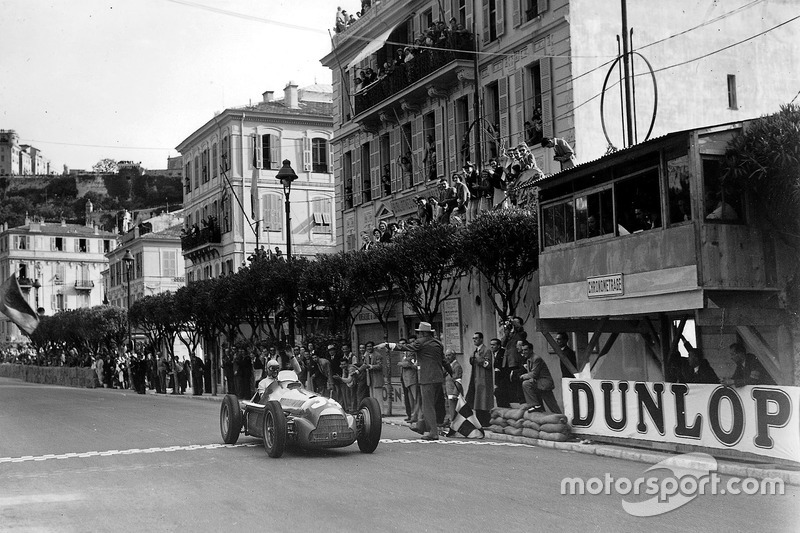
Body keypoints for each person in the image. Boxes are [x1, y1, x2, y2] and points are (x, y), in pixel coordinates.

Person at [379, 322, 445, 441]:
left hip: (427, 378)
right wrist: (452, 373)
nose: (419, 335)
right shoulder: (438, 343)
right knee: (430, 404)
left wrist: (388, 345)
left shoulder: (421, 342)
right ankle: (422, 425)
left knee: (427, 406)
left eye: (419, 332)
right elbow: (443, 360)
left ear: (423, 333)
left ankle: (433, 432)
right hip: (438, 378)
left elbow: (405, 347)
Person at [519, 342, 560, 413]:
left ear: (531, 350)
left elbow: (534, 374)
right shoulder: (529, 359)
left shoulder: (536, 359)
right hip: (538, 383)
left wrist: (523, 376)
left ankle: (535, 405)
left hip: (544, 384)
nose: (523, 352)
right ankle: (536, 406)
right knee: (527, 384)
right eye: (522, 350)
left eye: (526, 350)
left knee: (553, 407)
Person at [465, 332, 493, 427]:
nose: (474, 340)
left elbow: (488, 364)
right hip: (475, 379)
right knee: (476, 401)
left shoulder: (486, 350)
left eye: (476, 338)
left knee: (483, 401)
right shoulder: (475, 350)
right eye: (473, 338)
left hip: (483, 379)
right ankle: (478, 421)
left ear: (481, 339)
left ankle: (485, 422)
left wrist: (479, 359)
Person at [497, 317, 525, 406]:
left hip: (515, 361)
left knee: (515, 385)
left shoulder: (521, 333)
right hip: (507, 362)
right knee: (506, 385)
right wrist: (506, 332)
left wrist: (512, 321)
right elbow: (502, 343)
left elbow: (520, 329)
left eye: (516, 323)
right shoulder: (510, 334)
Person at [398, 342, 419, 423]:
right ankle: (413, 415)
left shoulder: (412, 353)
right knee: (410, 399)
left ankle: (417, 415)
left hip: (412, 379)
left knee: (415, 398)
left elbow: (413, 364)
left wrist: (403, 364)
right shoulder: (404, 354)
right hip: (406, 379)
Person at [443, 349, 463, 427]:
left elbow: (458, 380)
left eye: (449, 355)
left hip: (453, 391)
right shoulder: (448, 365)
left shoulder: (456, 366)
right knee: (449, 409)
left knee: (453, 409)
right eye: (446, 355)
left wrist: (455, 393)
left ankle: (454, 424)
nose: (447, 357)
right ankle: (450, 422)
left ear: (454, 356)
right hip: (448, 390)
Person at [365, 341, 384, 413]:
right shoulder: (366, 356)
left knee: (378, 397)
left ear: (373, 347)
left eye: (370, 346)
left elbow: (380, 366)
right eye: (367, 346)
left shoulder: (378, 355)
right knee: (372, 397)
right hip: (370, 379)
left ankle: (381, 412)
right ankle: (374, 413)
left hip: (377, 378)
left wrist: (371, 366)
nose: (369, 348)